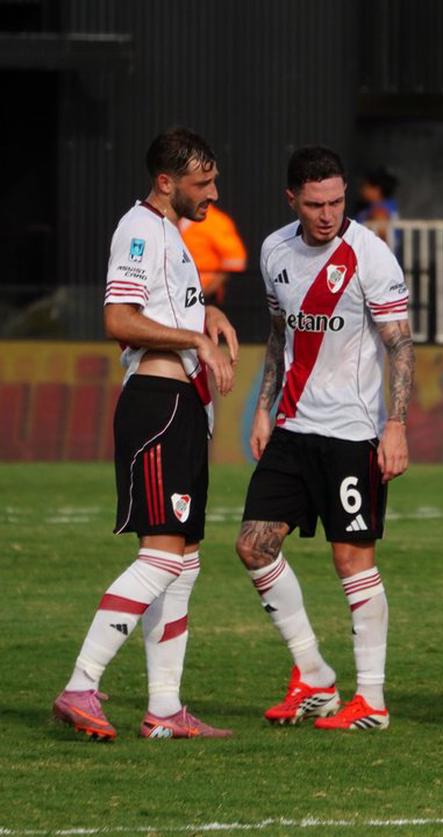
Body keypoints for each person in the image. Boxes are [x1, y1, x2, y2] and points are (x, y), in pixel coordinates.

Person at [53, 127, 238, 741]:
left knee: (182, 563)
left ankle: (164, 708)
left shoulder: (171, 236)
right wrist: (194, 342)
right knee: (161, 556)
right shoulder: (138, 229)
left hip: (184, 408)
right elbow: (119, 320)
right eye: (201, 182)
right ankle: (81, 685)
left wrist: (204, 314)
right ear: (166, 182)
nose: (212, 191)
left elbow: (161, 305)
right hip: (157, 407)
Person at [234, 146, 414, 732]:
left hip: (352, 435)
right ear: (293, 199)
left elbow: (399, 345)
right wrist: (263, 410)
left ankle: (373, 701)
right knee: (253, 546)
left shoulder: (371, 256)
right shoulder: (273, 251)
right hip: (292, 429)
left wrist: (395, 424)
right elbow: (279, 334)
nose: (328, 214)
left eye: (337, 201)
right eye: (315, 204)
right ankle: (313, 674)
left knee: (351, 560)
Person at [179, 203, 247, 306]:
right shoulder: (175, 219)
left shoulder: (215, 221)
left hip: (204, 297)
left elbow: (236, 260)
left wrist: (206, 290)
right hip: (177, 293)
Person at [356, 166, 400, 247]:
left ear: (377, 189)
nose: (361, 190)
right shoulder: (371, 207)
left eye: (365, 186)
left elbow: (382, 241)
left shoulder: (380, 211)